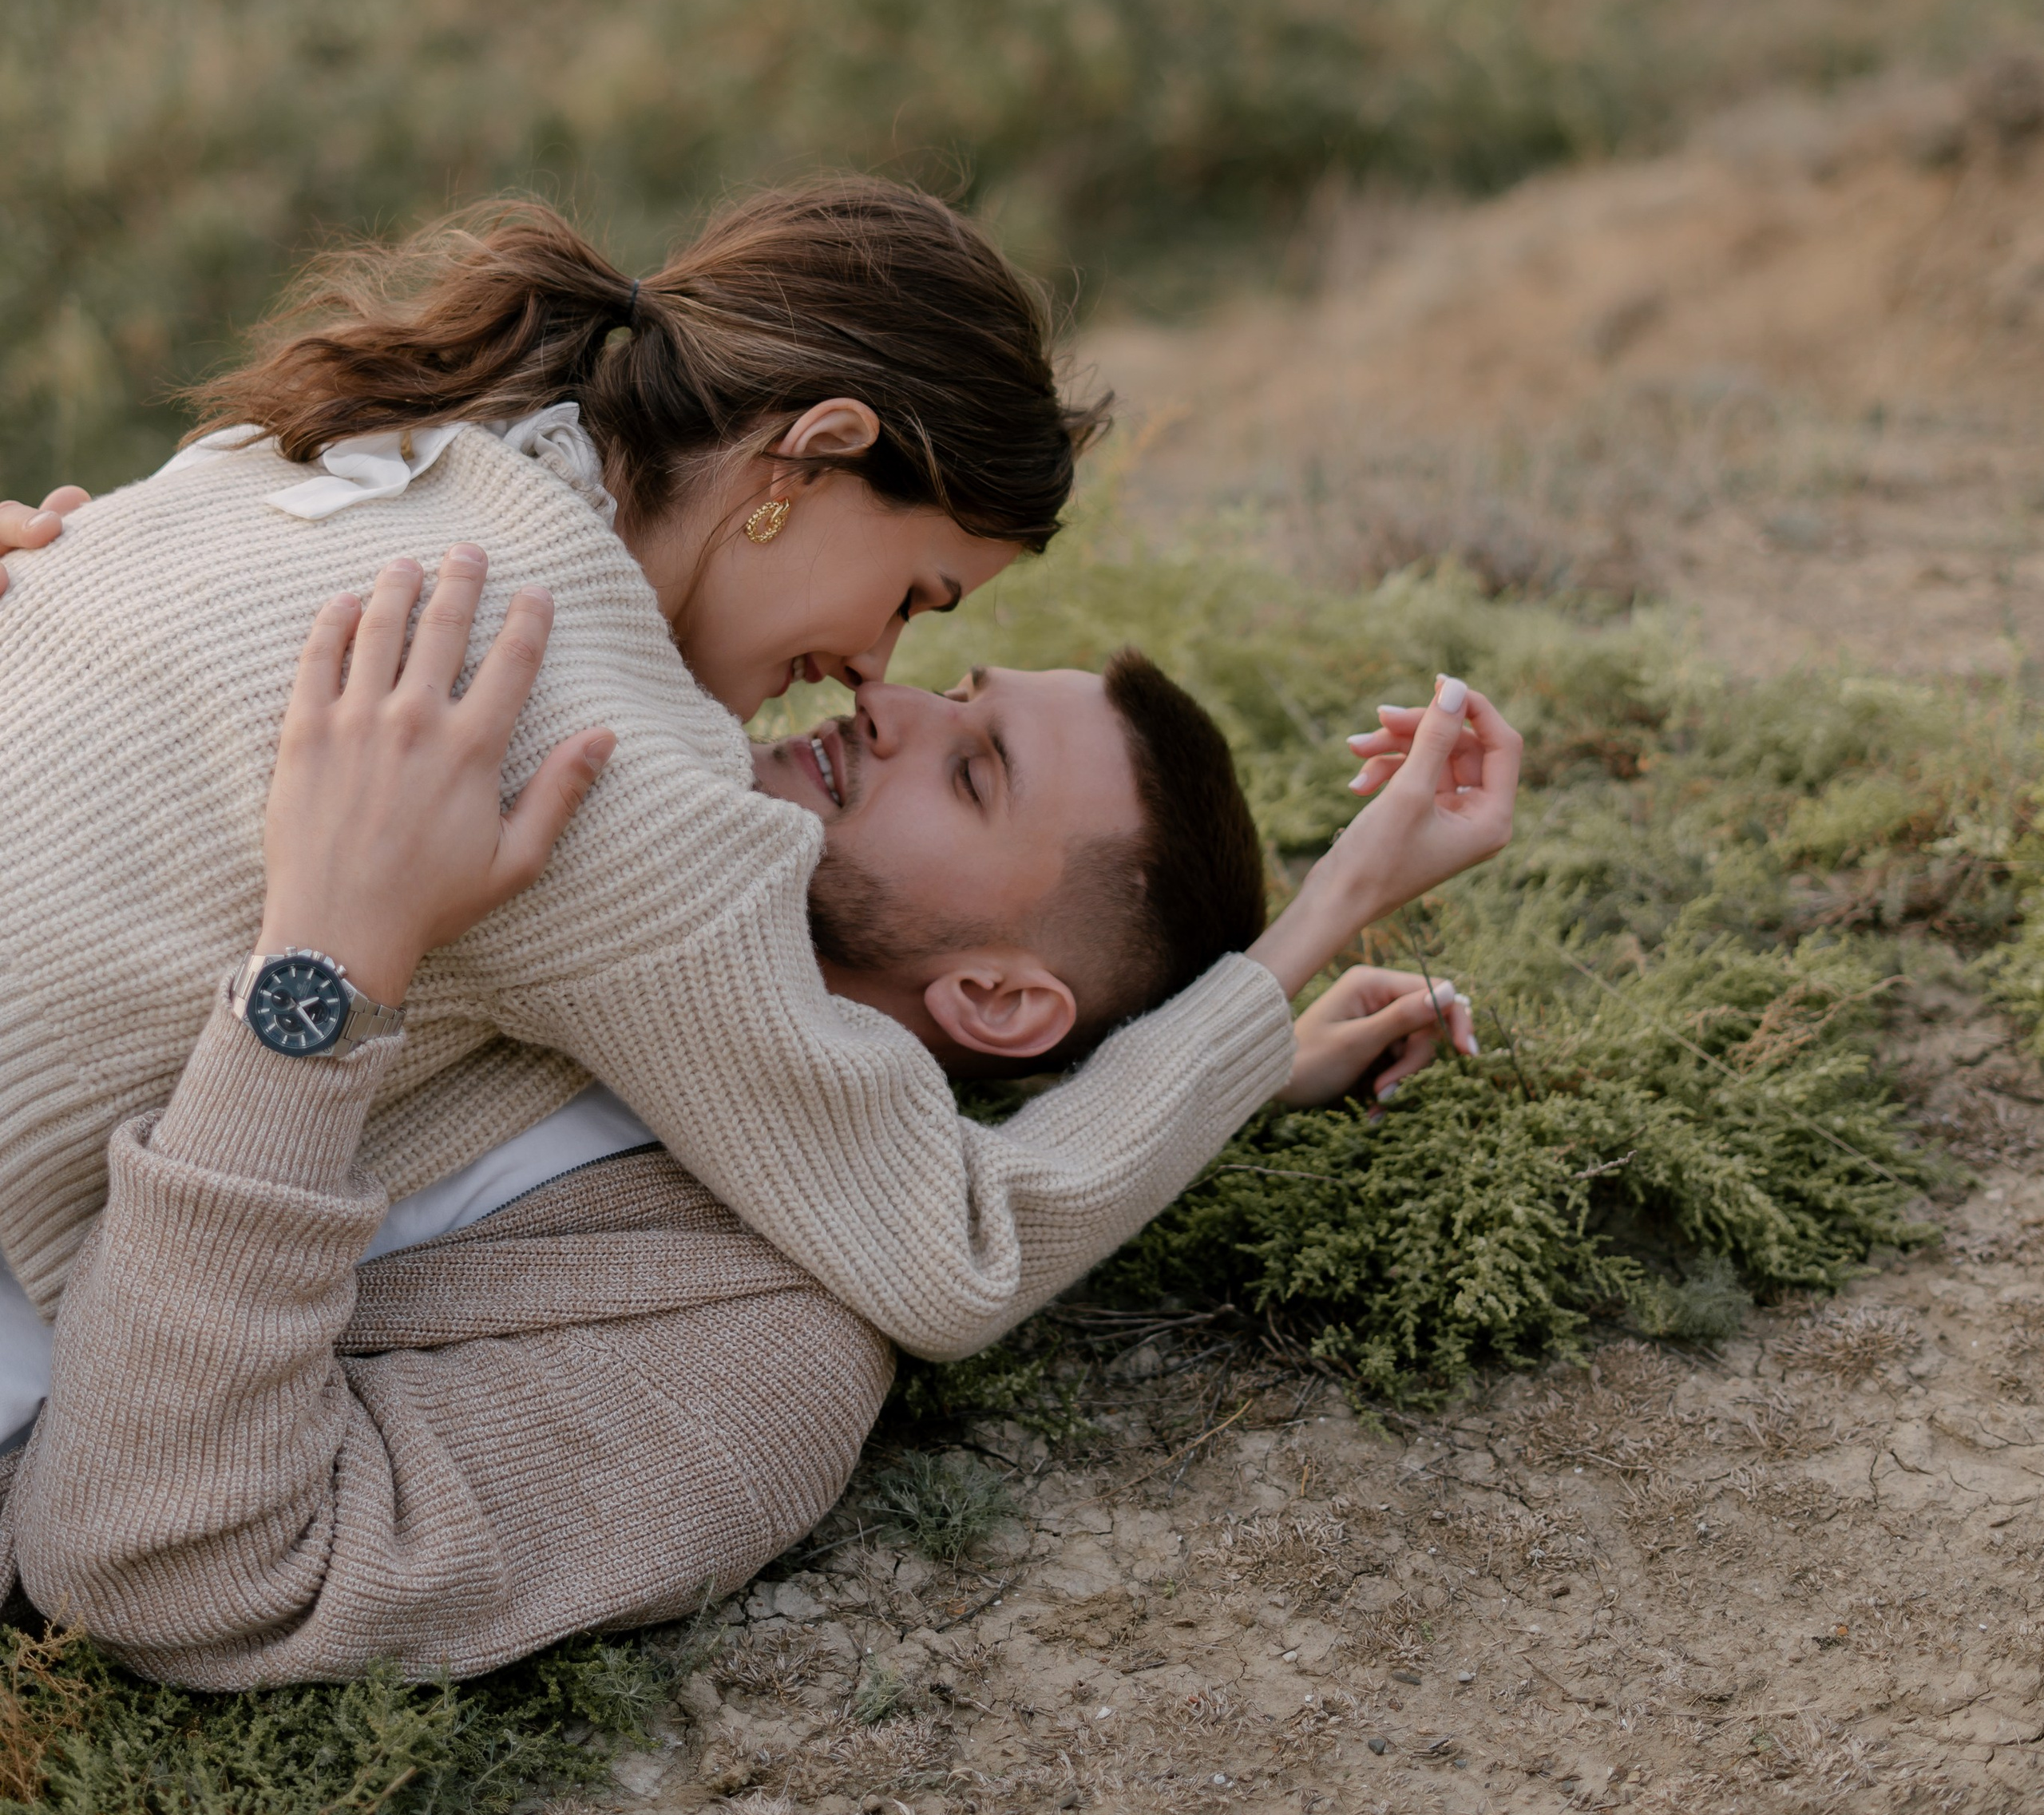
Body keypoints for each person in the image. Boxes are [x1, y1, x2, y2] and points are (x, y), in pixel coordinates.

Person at [0, 180, 1499, 1374]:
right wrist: (1327, 915)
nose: (871, 672)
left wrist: (1245, 1070)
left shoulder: (351, 445)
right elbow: (957, 1255)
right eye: (917, 598)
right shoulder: (620, 774)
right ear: (812, 456)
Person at [0, 516, 1514, 1686]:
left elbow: (168, 1567)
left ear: (997, 1001)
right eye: (952, 686)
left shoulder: (760, 1356)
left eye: (975, 774)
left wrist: (320, 971)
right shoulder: (580, 864)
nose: (884, 701)